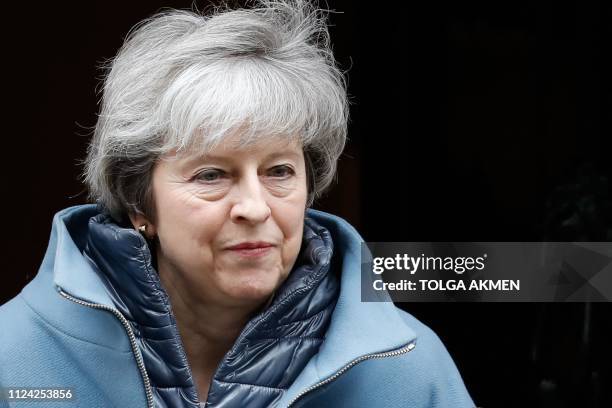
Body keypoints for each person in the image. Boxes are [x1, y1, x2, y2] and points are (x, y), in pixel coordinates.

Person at [0, 1, 474, 407]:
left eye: (279, 172)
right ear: (138, 201)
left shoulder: (405, 369)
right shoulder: (15, 358)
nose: (255, 207)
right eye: (211, 175)